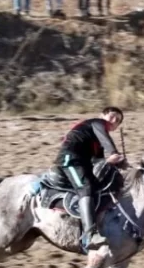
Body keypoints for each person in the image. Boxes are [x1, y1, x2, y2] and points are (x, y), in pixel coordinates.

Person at [54, 107, 126, 252]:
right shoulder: (97, 123)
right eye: (112, 117)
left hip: (82, 163)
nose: (113, 121)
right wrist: (114, 153)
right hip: (70, 159)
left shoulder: (96, 140)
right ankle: (90, 235)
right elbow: (107, 141)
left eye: (117, 121)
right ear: (102, 115)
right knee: (85, 187)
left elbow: (98, 161)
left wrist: (116, 163)